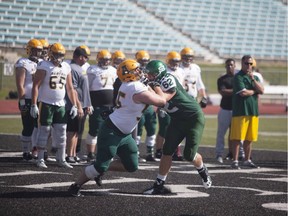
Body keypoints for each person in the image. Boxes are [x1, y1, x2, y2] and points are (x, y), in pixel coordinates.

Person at [68, 59, 166, 197]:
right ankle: (75, 186)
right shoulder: (136, 88)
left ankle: (100, 167)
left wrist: (148, 85)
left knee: (132, 166)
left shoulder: (128, 85)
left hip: (124, 134)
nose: (140, 71)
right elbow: (161, 101)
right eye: (136, 70)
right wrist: (155, 85)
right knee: (100, 166)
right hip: (111, 132)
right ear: (129, 74)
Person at [143, 60, 212, 195]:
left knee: (189, 155)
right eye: (148, 74)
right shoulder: (154, 81)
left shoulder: (168, 79)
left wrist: (151, 85)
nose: (149, 76)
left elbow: (162, 99)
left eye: (151, 74)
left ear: (158, 74)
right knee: (167, 151)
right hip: (177, 119)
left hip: (193, 118)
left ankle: (203, 170)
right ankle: (159, 185)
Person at [30, 42, 79, 169]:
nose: (59, 57)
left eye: (61, 54)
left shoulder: (66, 67)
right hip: (46, 103)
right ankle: (40, 158)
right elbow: (36, 86)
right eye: (56, 54)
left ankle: (61, 158)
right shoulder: (44, 65)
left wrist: (74, 104)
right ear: (51, 54)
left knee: (62, 131)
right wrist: (33, 104)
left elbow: (70, 87)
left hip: (61, 105)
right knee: (44, 131)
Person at [230, 55, 264, 169]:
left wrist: (253, 80)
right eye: (246, 63)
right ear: (242, 63)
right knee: (237, 138)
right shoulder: (238, 77)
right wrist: (255, 91)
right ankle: (235, 161)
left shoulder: (255, 77)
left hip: (253, 112)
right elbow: (242, 93)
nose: (249, 66)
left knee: (250, 138)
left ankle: (247, 160)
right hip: (240, 112)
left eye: (251, 64)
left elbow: (262, 90)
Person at [85, 50, 117, 162]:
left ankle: (105, 152)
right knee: (95, 130)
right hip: (97, 104)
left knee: (109, 130)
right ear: (98, 59)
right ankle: (90, 153)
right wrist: (88, 103)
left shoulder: (114, 70)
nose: (105, 62)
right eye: (103, 59)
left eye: (107, 59)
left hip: (111, 106)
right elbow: (87, 88)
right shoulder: (92, 69)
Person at [15, 38, 43, 161]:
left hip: (40, 99)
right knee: (28, 126)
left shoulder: (42, 62)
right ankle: (26, 151)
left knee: (38, 126)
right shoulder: (23, 62)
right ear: (29, 50)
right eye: (35, 50)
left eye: (39, 50)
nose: (38, 53)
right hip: (27, 98)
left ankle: (35, 149)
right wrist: (22, 101)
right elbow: (20, 85)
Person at [154, 51, 185, 161]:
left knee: (177, 128)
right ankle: (158, 150)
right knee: (164, 127)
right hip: (166, 102)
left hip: (177, 103)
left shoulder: (181, 71)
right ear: (168, 61)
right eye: (173, 61)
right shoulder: (164, 71)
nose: (176, 63)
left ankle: (176, 151)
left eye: (177, 61)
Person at [65, 45, 93, 164]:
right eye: (85, 57)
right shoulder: (72, 68)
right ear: (80, 57)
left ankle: (74, 154)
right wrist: (78, 106)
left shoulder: (78, 68)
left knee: (77, 131)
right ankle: (69, 155)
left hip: (81, 103)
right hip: (75, 105)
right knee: (72, 131)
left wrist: (88, 104)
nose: (86, 59)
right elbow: (74, 89)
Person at [135, 50, 157, 162]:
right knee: (138, 130)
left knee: (152, 128)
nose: (144, 63)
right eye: (142, 60)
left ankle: (150, 152)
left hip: (149, 106)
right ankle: (136, 152)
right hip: (139, 105)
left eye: (146, 60)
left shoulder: (151, 72)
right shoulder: (134, 72)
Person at [215, 59, 235, 163]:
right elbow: (223, 92)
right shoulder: (222, 79)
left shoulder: (238, 78)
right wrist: (236, 91)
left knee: (235, 135)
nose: (229, 67)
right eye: (227, 65)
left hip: (237, 110)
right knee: (221, 133)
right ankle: (219, 154)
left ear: (234, 66)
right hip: (225, 109)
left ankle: (233, 154)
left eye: (231, 65)